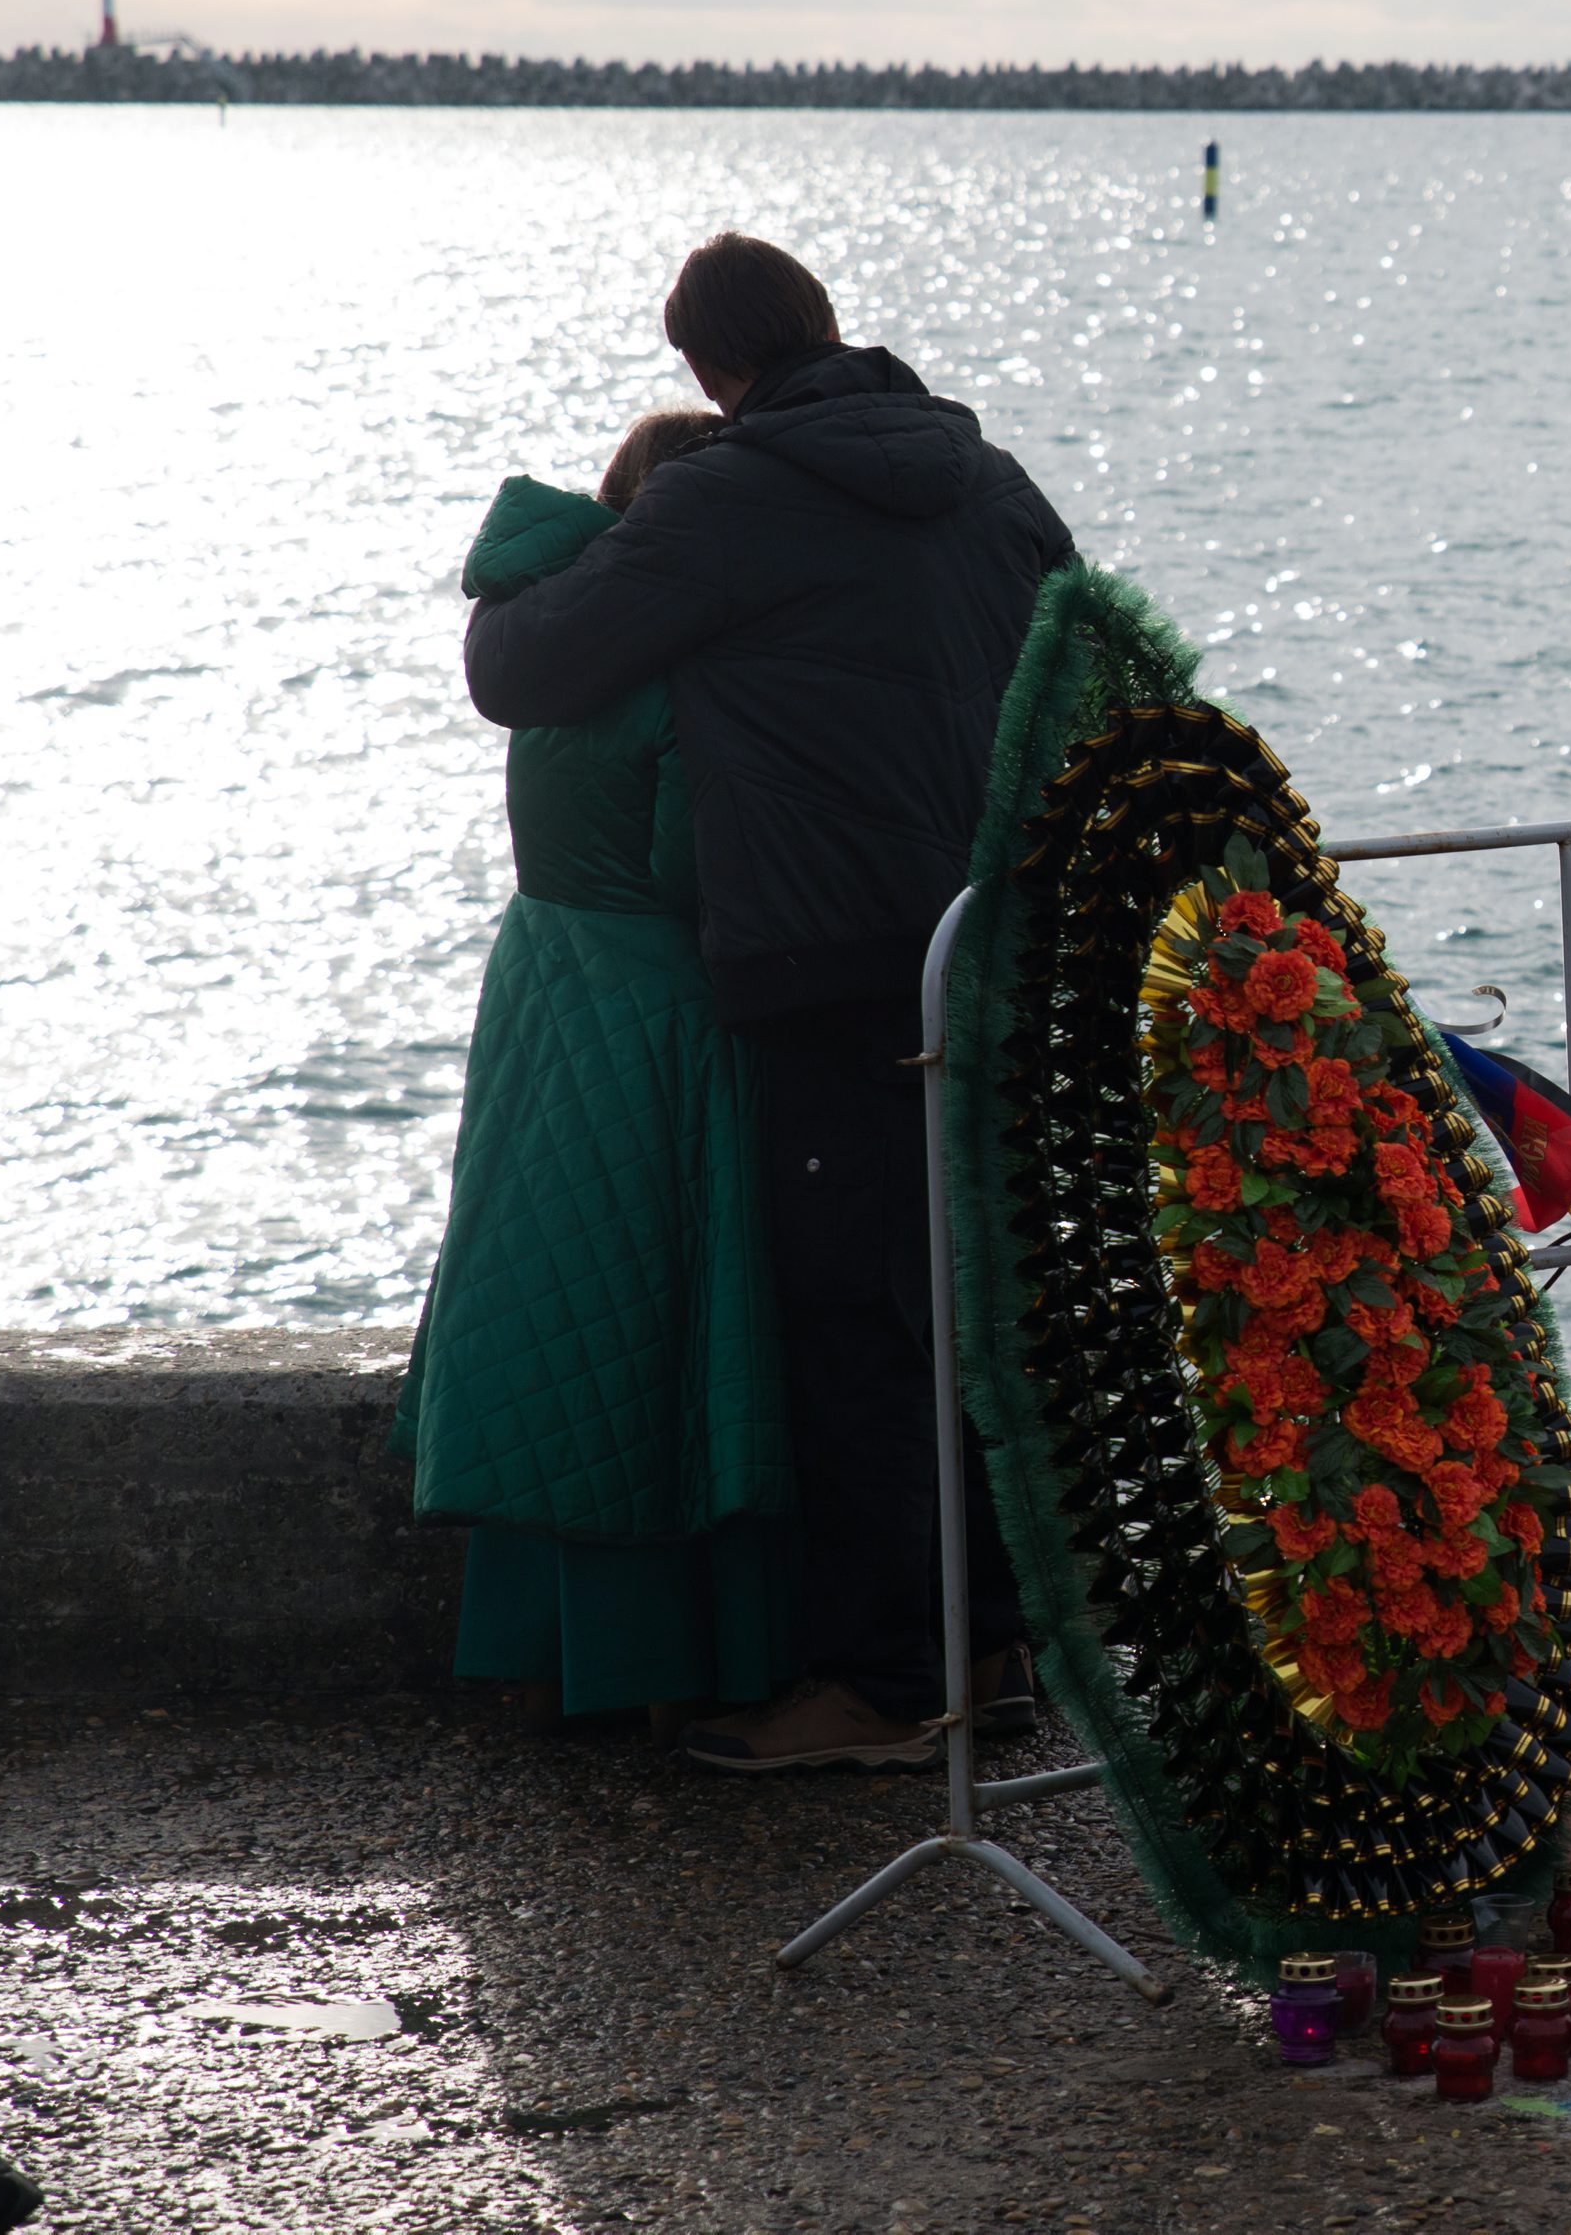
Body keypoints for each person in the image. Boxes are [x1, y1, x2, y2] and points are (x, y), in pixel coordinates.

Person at [466, 234, 1075, 1773]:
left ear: (704, 370)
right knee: (963, 1309)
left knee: (854, 1329)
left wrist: (529, 542)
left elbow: (526, 669)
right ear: (825, 325)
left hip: (825, 963)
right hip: (986, 947)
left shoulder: (727, 496)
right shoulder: (989, 480)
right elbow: (1081, 668)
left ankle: (880, 1689)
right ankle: (992, 1646)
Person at [399, 409, 802, 1727]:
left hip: (543, 986)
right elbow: (704, 869)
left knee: (562, 1298)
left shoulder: (545, 639)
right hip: (659, 1013)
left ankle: (546, 1643)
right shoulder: (677, 675)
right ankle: (703, 1656)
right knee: (669, 1322)